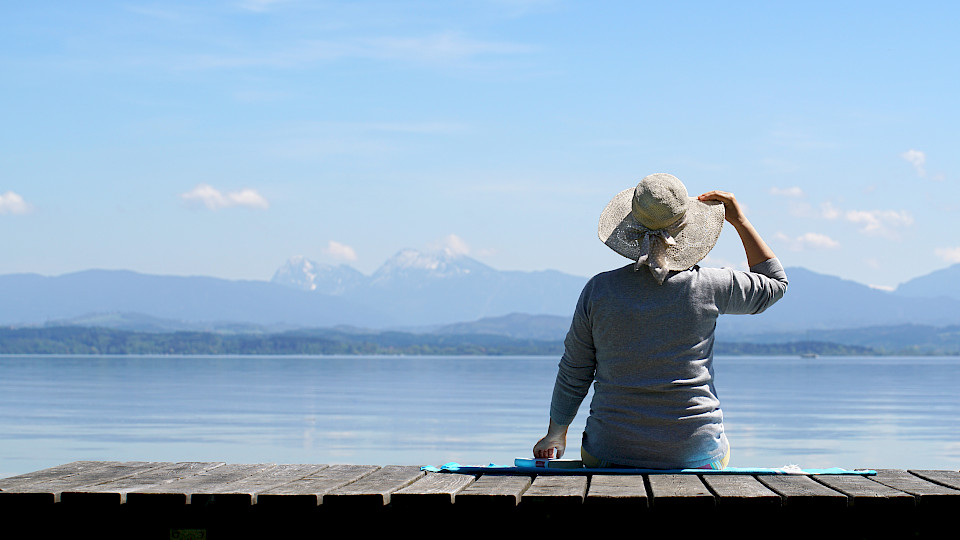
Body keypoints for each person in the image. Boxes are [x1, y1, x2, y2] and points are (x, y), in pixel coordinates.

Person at [532, 173, 788, 469]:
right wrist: (739, 221)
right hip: (696, 452)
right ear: (688, 228)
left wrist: (556, 435)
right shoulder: (711, 285)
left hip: (609, 451)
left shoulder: (599, 290)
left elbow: (575, 370)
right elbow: (775, 284)